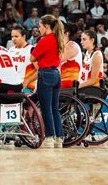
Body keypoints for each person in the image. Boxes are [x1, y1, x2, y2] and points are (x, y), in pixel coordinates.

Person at [30, 15, 66, 148]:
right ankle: (59, 137)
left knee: (46, 109)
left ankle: (50, 137)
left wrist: (35, 48)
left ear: (46, 26)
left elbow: (32, 58)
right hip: (57, 74)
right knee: (54, 108)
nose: (39, 29)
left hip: (45, 74)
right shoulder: (58, 39)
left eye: (40, 26)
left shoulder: (44, 40)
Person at [8, 26, 36, 93]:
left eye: (16, 36)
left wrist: (27, 81)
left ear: (24, 37)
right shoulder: (10, 50)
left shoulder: (31, 49)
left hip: (26, 87)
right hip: (12, 85)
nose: (13, 39)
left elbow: (40, 70)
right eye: (12, 37)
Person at [79, 30, 106, 94]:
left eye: (84, 39)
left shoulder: (96, 55)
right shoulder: (87, 53)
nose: (81, 42)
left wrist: (77, 86)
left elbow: (93, 80)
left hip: (93, 88)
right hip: (86, 86)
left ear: (92, 40)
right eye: (81, 39)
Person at [59, 22, 82, 89]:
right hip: (63, 83)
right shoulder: (64, 46)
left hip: (69, 86)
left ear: (66, 33)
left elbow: (53, 61)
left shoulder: (71, 46)